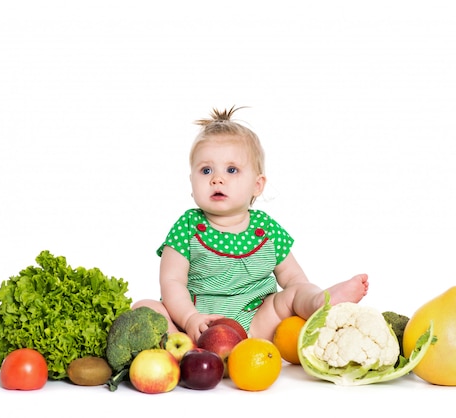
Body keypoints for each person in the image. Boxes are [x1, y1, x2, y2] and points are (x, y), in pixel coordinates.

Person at [132, 106, 368, 343]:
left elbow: (293, 277)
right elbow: (171, 282)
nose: (217, 178)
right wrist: (190, 318)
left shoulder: (266, 228)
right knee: (144, 308)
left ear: (257, 185)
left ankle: (320, 303)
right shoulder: (188, 226)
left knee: (297, 291)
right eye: (206, 170)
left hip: (257, 323)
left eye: (231, 170)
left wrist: (302, 299)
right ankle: (180, 348)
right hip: (196, 328)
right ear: (191, 181)